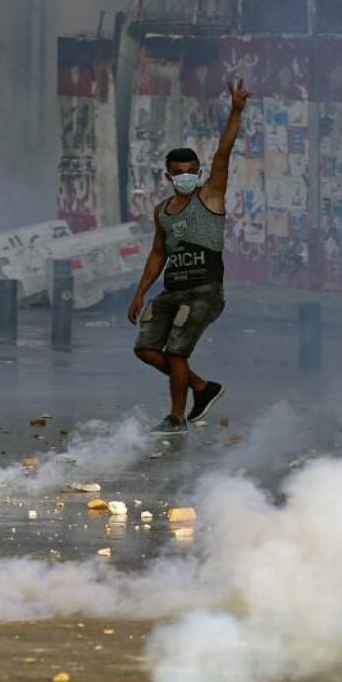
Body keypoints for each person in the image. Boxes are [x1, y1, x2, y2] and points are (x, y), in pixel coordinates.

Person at [128, 79, 250, 436]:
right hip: (172, 290)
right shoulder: (162, 210)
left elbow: (223, 153)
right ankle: (202, 387)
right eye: (178, 173)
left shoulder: (209, 197)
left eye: (190, 172)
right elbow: (157, 253)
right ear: (168, 176)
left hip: (204, 290)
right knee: (147, 349)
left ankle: (177, 418)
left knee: (177, 352)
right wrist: (140, 292)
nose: (185, 177)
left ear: (198, 173)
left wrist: (236, 111)